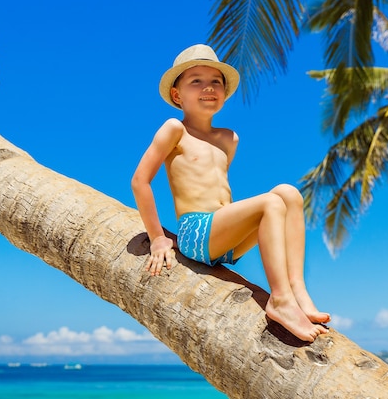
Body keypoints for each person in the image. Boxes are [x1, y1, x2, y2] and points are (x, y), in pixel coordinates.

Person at [131, 44, 330, 342]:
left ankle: (296, 289)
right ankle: (280, 300)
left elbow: (218, 189)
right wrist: (158, 237)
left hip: (224, 239)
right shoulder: (175, 129)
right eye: (195, 81)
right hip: (197, 232)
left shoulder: (229, 138)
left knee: (289, 193)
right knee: (270, 203)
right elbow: (140, 181)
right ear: (177, 95)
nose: (208, 88)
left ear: (224, 93)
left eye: (215, 82)